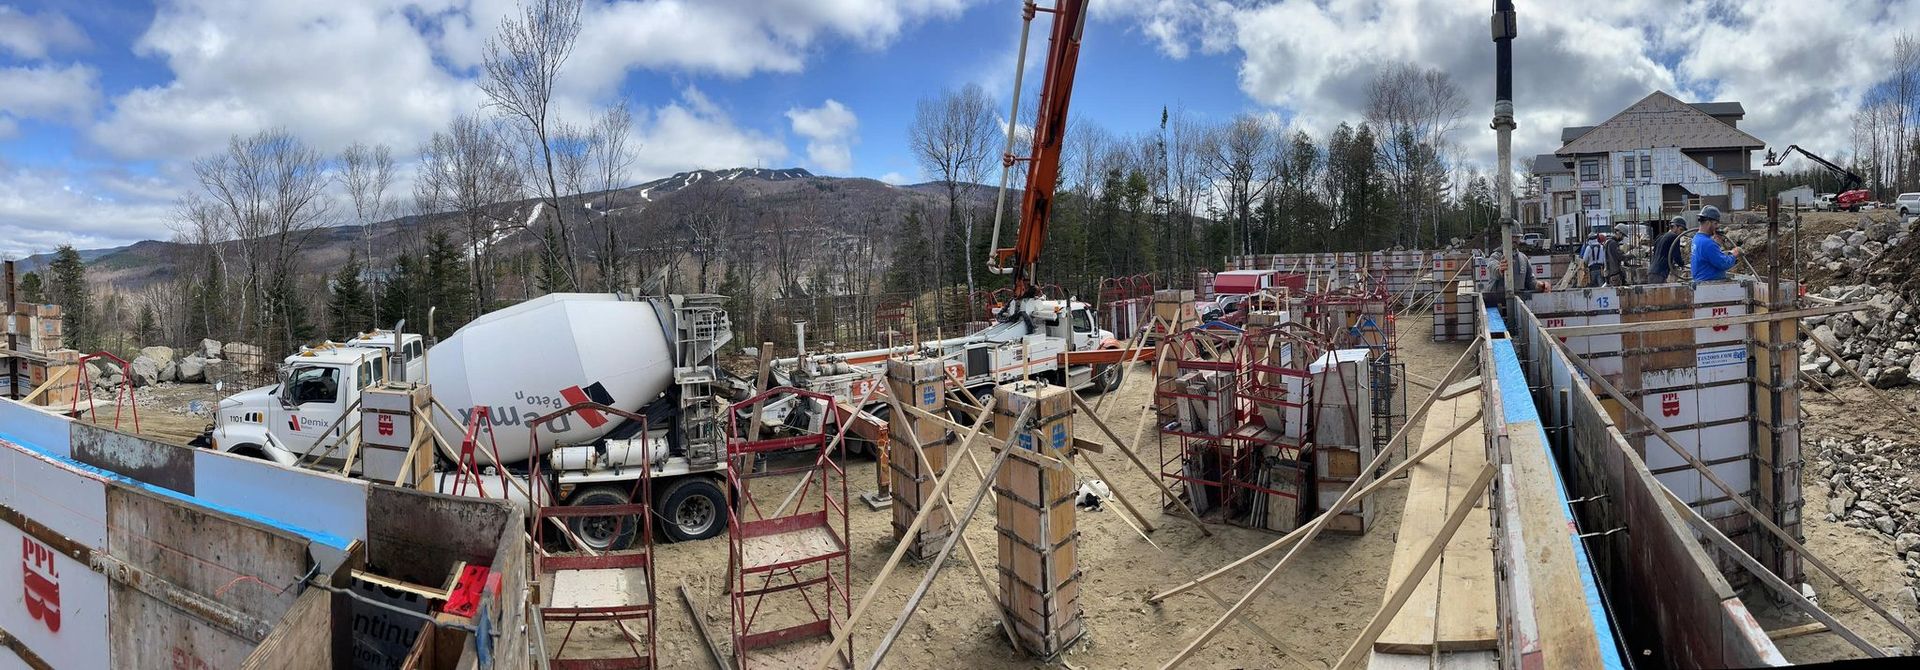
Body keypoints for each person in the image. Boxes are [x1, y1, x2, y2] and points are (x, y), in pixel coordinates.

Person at [1690, 205, 1739, 282]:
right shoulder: (1708, 243)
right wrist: (1734, 255)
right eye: (1715, 223)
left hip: (1700, 282)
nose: (1717, 227)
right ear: (1708, 223)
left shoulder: (1696, 238)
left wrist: (1717, 244)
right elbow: (1723, 264)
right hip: (1710, 285)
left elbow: (1709, 256)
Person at [1649, 217, 1688, 283]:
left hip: (1652, 271)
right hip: (1660, 273)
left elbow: (1657, 253)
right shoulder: (1674, 237)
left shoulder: (1660, 236)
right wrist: (1682, 264)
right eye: (1681, 230)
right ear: (1675, 226)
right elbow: (1676, 255)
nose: (1681, 233)